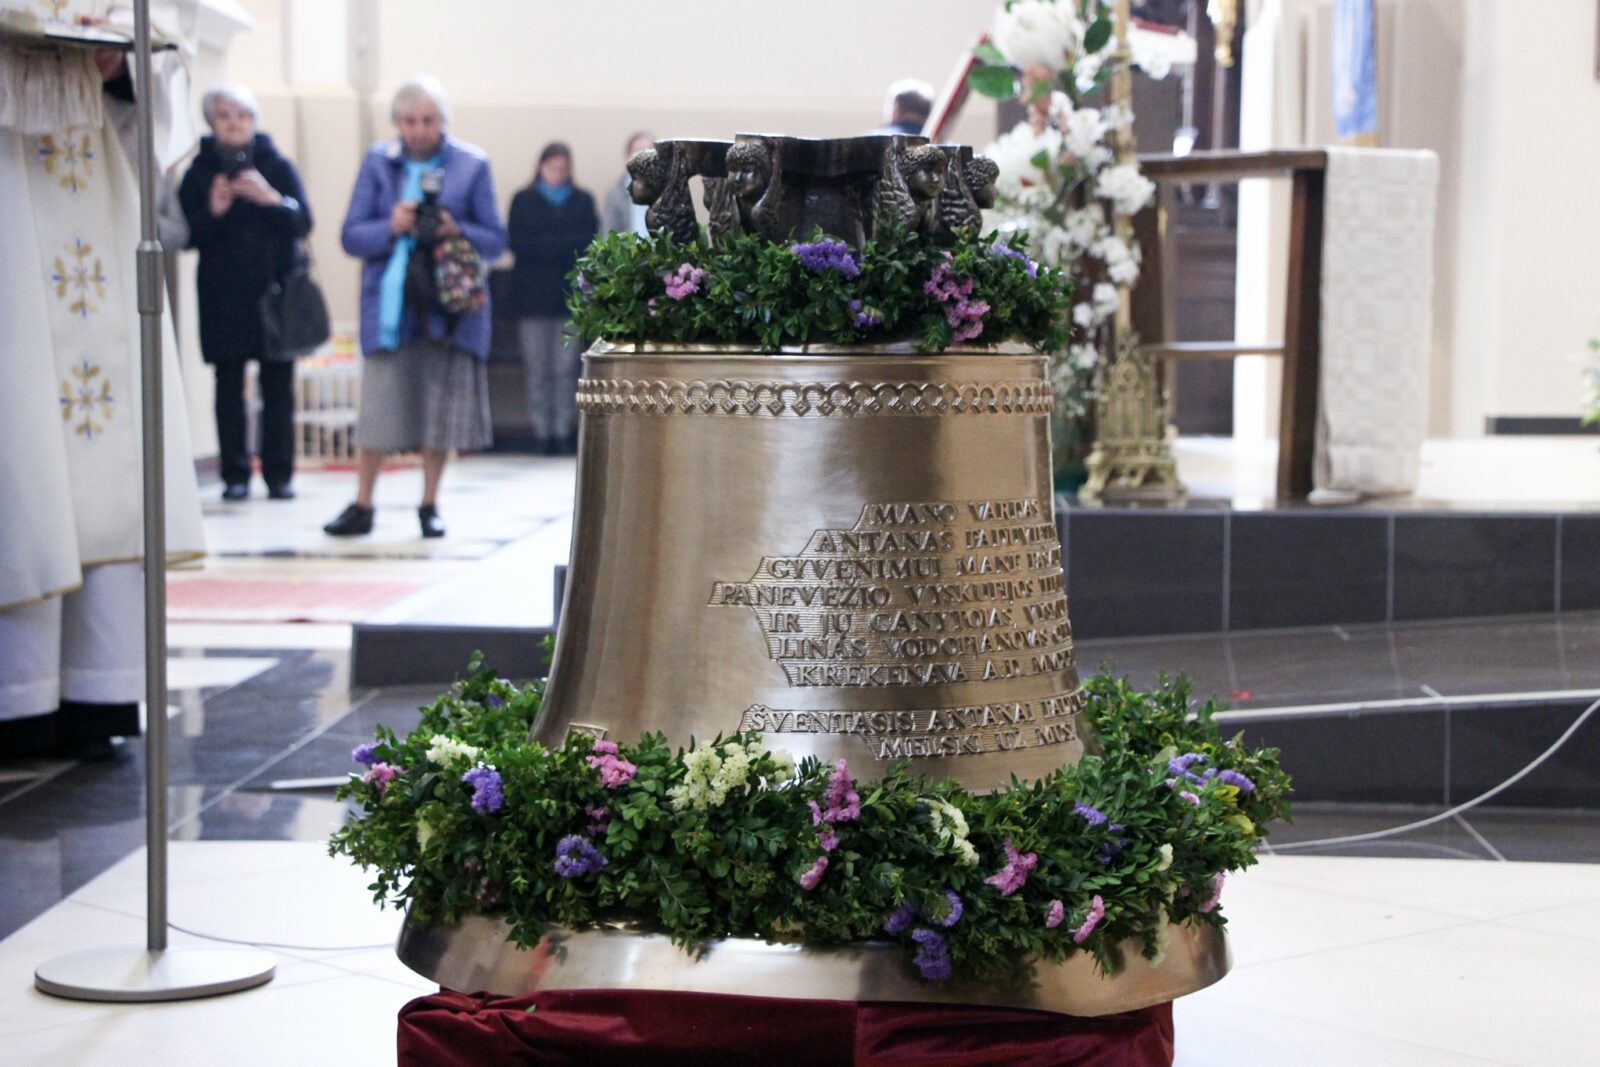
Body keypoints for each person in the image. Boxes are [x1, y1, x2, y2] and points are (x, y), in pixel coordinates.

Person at [0, 27, 205, 758]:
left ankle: (96, 688)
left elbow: (170, 47)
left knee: (104, 455)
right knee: (19, 427)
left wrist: (124, 63)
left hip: (86, 159)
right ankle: (14, 694)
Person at [323, 76, 507, 539]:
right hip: (392, 306)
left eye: (428, 120)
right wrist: (393, 223)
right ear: (397, 124)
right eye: (410, 121)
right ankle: (363, 503)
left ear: (443, 121)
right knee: (380, 408)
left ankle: (430, 504)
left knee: (439, 413)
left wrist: (452, 227)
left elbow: (496, 241)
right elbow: (350, 235)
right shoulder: (377, 164)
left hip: (449, 310)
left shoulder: (471, 164)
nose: (419, 130)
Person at [178, 83, 312, 502]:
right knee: (227, 385)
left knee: (278, 386)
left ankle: (279, 475)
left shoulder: (277, 165)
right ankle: (234, 474)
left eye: (242, 115)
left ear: (254, 121)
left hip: (274, 293)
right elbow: (188, 236)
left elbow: (303, 222)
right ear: (212, 123)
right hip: (223, 296)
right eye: (224, 115)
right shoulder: (198, 173)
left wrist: (270, 198)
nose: (234, 123)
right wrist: (214, 211)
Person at [507, 142, 598, 456]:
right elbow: (519, 242)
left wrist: (547, 246)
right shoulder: (523, 200)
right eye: (552, 167)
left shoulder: (582, 201)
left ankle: (562, 430)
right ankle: (541, 431)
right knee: (538, 369)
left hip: (568, 299)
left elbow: (586, 242)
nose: (557, 174)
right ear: (540, 167)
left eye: (562, 168)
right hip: (532, 298)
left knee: (565, 368)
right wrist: (557, 246)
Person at [601, 130, 654, 236]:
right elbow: (609, 234)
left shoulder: (667, 192)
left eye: (650, 151)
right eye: (639, 151)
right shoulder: (615, 195)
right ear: (628, 157)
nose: (645, 156)